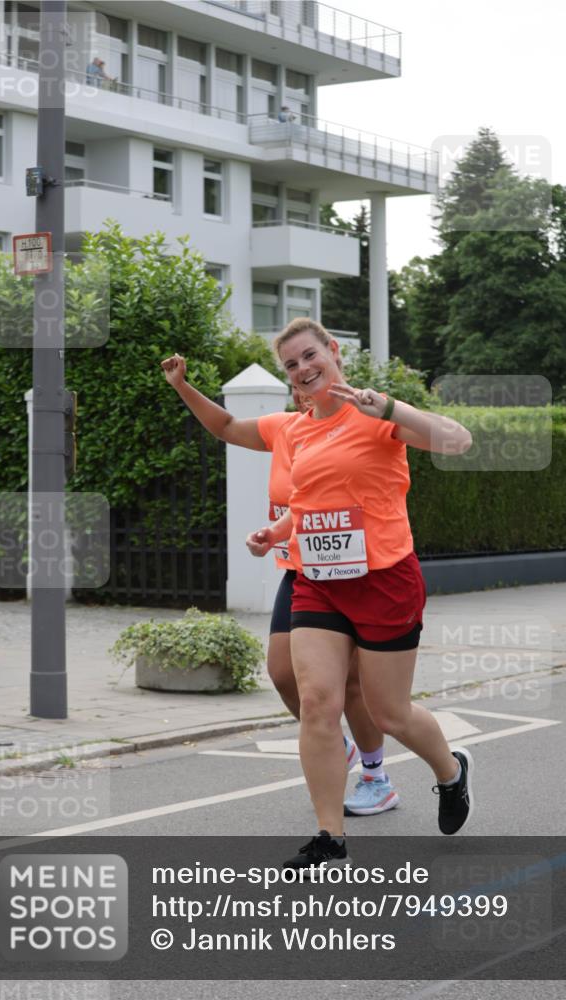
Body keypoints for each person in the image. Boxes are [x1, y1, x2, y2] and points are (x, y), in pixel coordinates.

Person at [245, 318, 475, 872]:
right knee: (318, 703)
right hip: (319, 584)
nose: (302, 370)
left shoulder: (374, 414)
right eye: (292, 365)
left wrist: (389, 408)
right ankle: (330, 838)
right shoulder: (298, 430)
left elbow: (459, 440)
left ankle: (450, 771)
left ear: (333, 351)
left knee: (389, 712)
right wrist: (275, 534)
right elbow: (310, 503)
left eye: (308, 356)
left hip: (385, 581)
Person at [160, 353, 400, 815]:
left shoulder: (356, 424)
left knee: (351, 687)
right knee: (282, 672)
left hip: (357, 571)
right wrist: (181, 387)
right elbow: (227, 425)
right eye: (294, 375)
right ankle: (337, 745)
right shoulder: (285, 428)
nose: (301, 382)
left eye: (308, 371)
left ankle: (376, 777)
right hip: (302, 570)